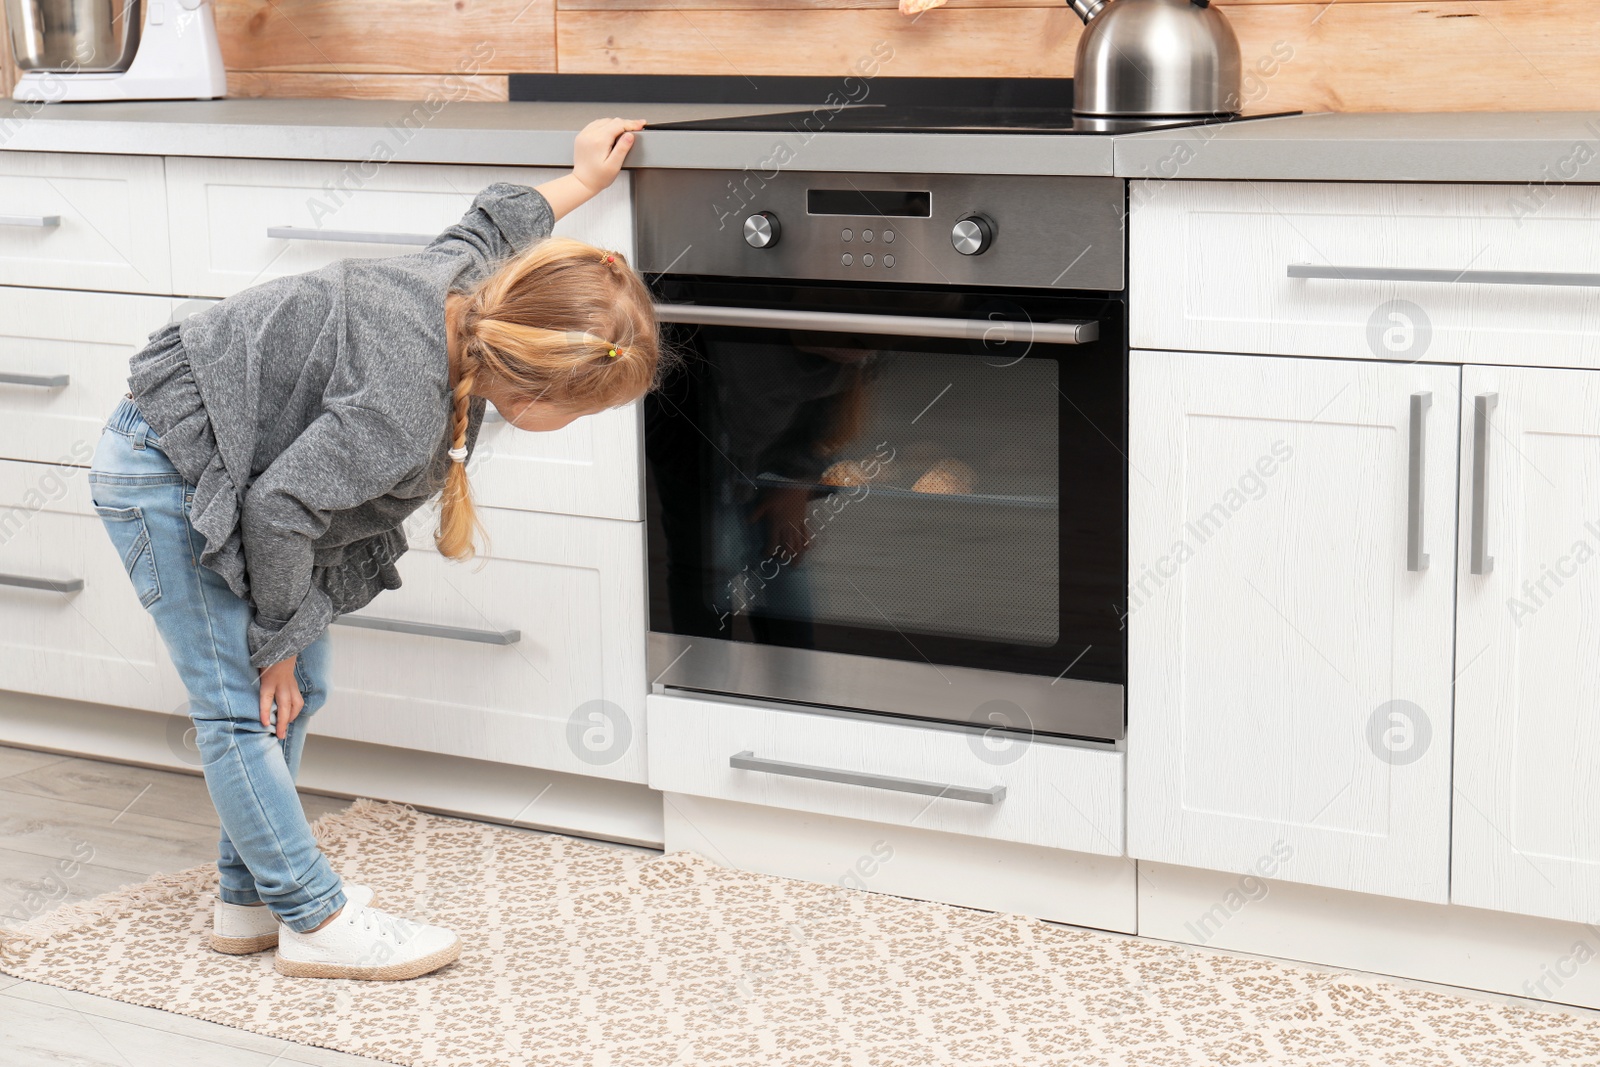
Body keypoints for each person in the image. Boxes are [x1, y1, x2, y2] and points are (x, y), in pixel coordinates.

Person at [86, 118, 659, 981]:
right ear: (528, 381)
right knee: (243, 702)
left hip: (246, 471)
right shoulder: (402, 407)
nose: (573, 425)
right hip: (173, 470)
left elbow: (491, 222)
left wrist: (579, 181)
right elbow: (280, 510)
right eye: (577, 410)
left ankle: (248, 900)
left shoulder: (477, 291)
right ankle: (316, 918)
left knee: (301, 688)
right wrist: (273, 644)